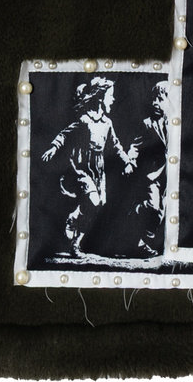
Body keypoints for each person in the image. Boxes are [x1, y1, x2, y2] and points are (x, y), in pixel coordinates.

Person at [41, 75, 137, 253]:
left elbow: (116, 145)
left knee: (97, 206)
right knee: (93, 201)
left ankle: (76, 242)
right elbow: (65, 134)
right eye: (110, 96)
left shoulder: (107, 123)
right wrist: (54, 148)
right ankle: (73, 220)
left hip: (98, 169)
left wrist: (127, 162)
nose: (113, 99)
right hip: (81, 167)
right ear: (100, 98)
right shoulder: (85, 120)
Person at [132, 80, 171, 255]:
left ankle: (143, 242)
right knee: (153, 207)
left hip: (170, 174)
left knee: (162, 210)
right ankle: (135, 213)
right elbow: (135, 146)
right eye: (153, 99)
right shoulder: (147, 123)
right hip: (152, 174)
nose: (155, 103)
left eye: (160, 99)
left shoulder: (178, 123)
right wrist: (131, 160)